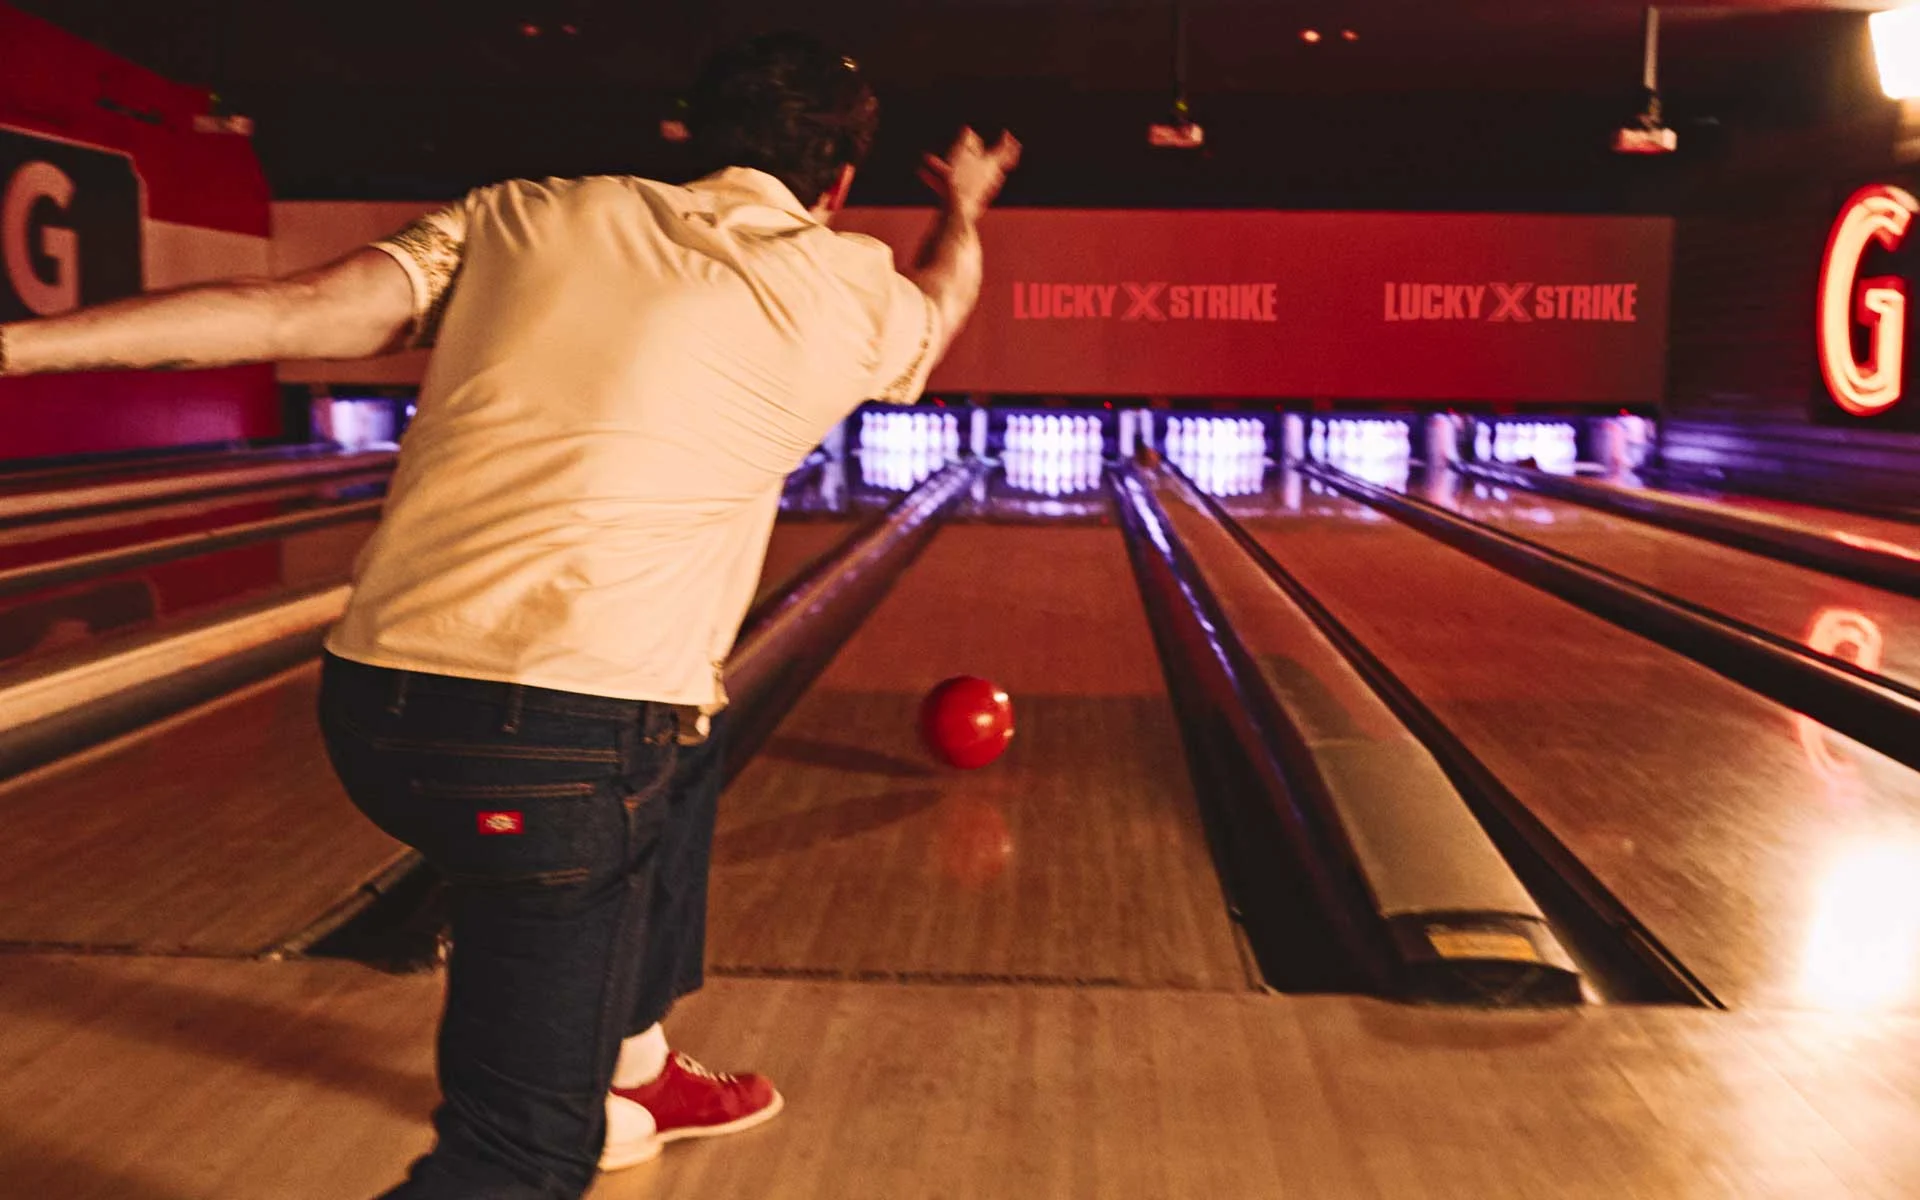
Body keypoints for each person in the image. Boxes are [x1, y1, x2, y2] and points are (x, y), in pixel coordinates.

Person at [0, 31, 1019, 1200]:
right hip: (556, 764)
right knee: (526, 1157)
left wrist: (17, 346)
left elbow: (298, 311)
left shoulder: (526, 214)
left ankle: (632, 1067)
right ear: (840, 183)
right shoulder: (846, 284)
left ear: (689, 135)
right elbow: (943, 301)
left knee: (694, 729)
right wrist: (970, 205)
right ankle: (583, 1101)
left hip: (373, 709)